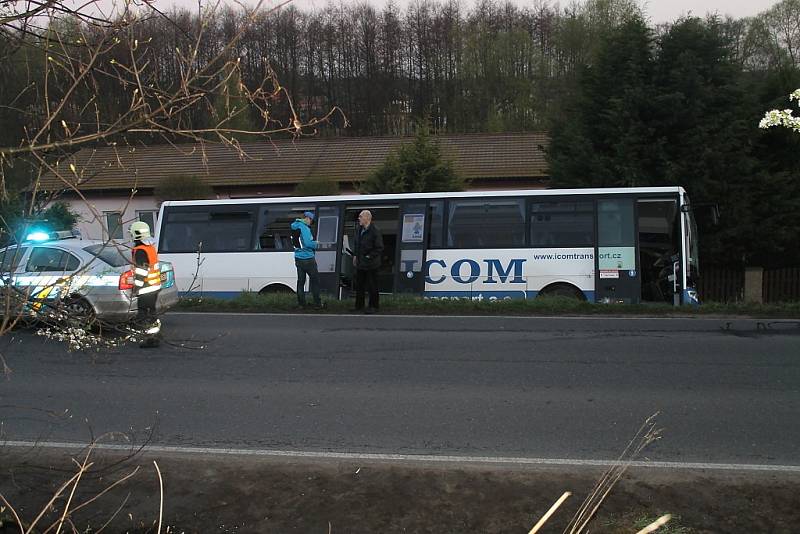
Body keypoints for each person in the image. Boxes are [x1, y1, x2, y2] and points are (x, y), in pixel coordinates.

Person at [130, 221, 162, 348]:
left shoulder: (140, 251)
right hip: (154, 286)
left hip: (146, 287)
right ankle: (155, 335)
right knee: (151, 312)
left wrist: (136, 286)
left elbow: (141, 271)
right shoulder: (150, 248)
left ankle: (150, 339)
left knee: (144, 314)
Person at [352, 210, 383, 314]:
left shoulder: (375, 231)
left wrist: (369, 256)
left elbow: (379, 247)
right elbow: (357, 244)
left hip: (372, 264)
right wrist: (355, 256)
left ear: (367, 218)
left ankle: (374, 306)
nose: (359, 218)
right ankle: (359, 306)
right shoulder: (359, 229)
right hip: (361, 263)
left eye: (360, 216)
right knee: (360, 285)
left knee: (372, 285)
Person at [290, 211, 323, 309]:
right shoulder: (304, 228)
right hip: (308, 258)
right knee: (315, 281)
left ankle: (301, 304)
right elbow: (308, 243)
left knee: (300, 282)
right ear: (307, 218)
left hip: (298, 258)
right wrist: (316, 243)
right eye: (311, 221)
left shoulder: (294, 226)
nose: (311, 223)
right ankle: (317, 304)